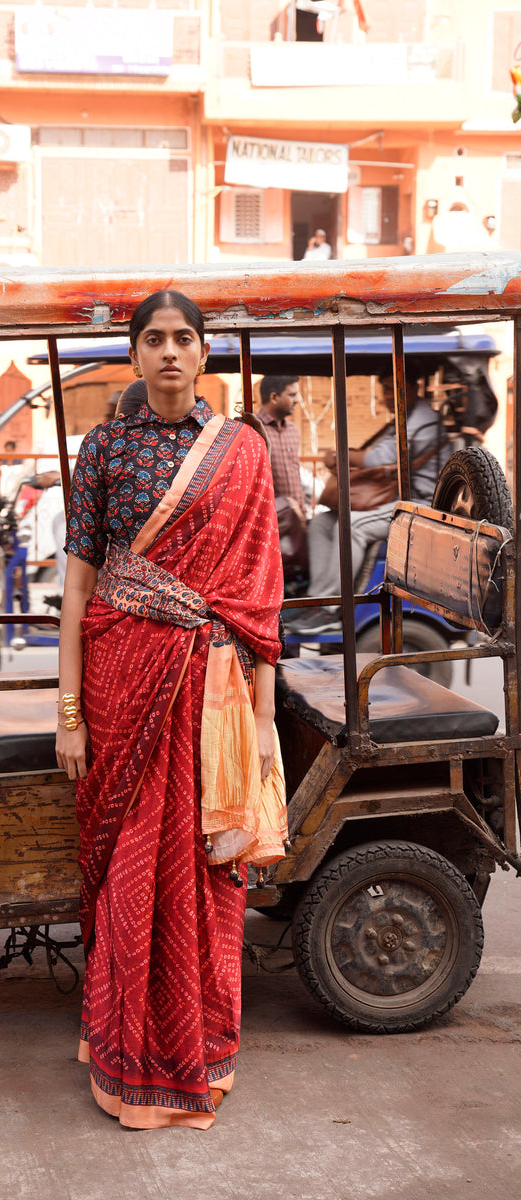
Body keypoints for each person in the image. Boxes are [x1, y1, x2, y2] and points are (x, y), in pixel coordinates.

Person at [57, 290, 286, 1129]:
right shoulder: (106, 448)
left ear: (203, 352)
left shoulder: (242, 453)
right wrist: (69, 712)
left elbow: (261, 596)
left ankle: (196, 1052)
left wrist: (262, 723)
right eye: (152, 339)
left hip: (210, 694)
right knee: (128, 872)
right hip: (121, 684)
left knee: (203, 873)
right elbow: (79, 586)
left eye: (183, 338)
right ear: (133, 354)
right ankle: (123, 1062)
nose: (168, 353)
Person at [289, 370, 450, 634]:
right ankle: (319, 599)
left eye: (391, 389)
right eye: (385, 390)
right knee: (320, 522)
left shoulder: (424, 421)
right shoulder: (403, 418)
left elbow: (380, 458)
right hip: (395, 497)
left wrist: (341, 456)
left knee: (353, 524)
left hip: (418, 506)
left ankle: (331, 609)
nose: (387, 397)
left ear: (412, 386)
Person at [256, 375, 306, 521]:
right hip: (268, 520)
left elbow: (295, 476)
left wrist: (302, 513)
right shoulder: (253, 429)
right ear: (274, 397)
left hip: (296, 519)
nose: (297, 400)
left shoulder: (292, 430)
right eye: (292, 395)